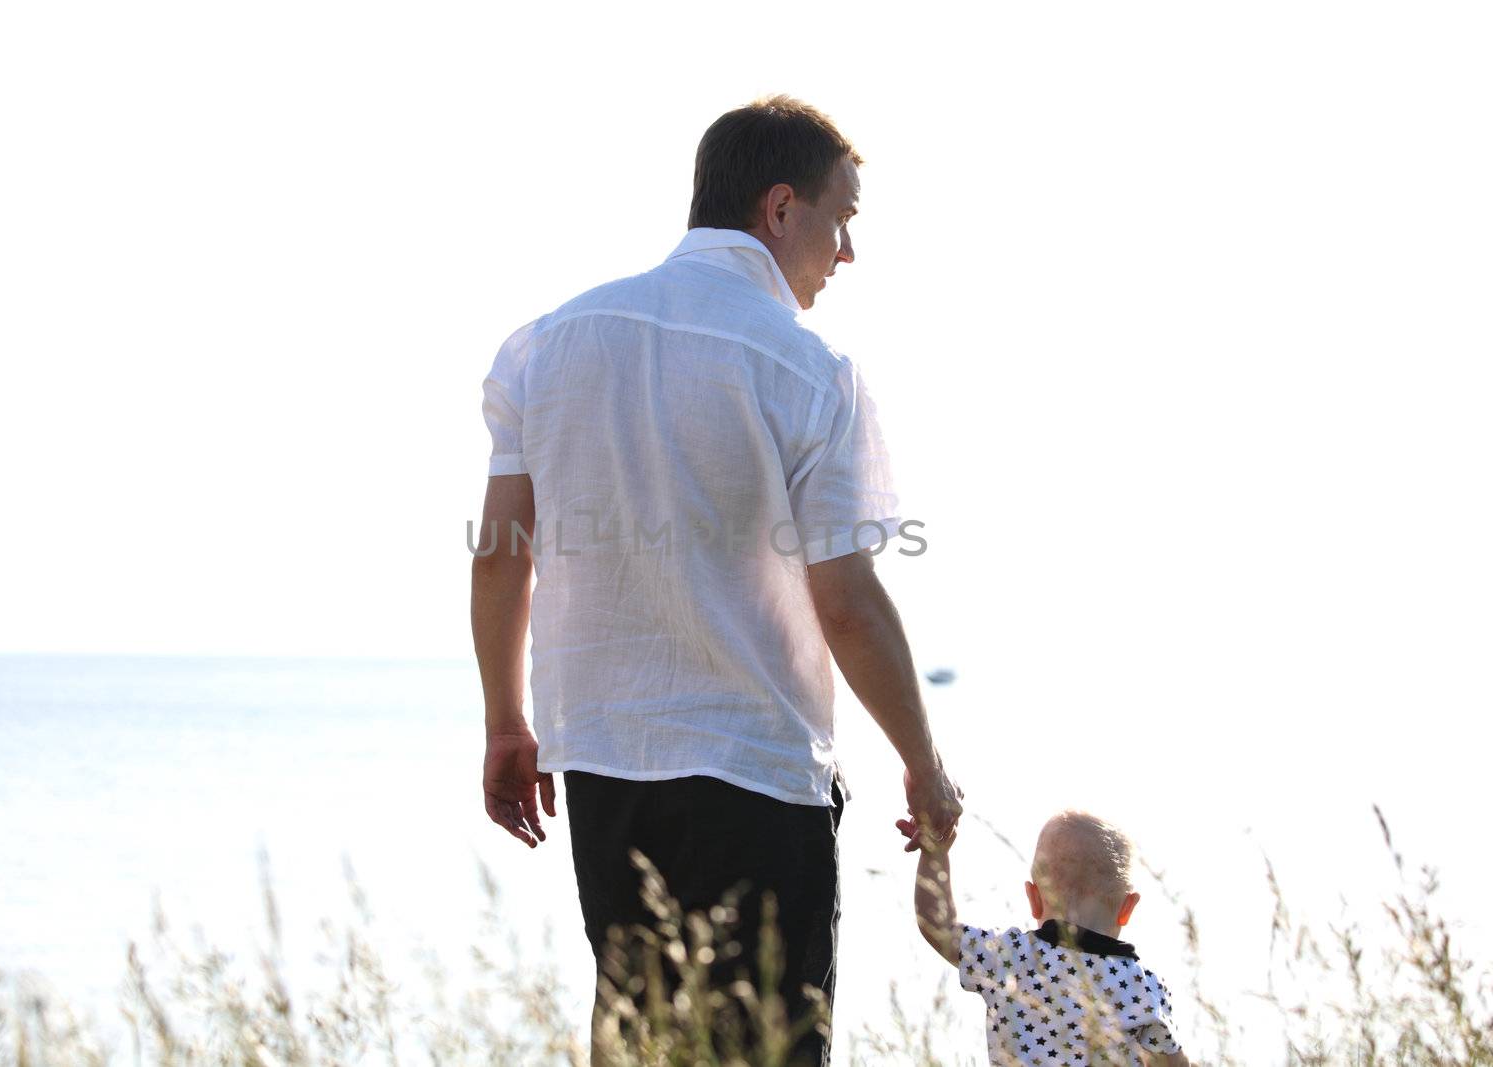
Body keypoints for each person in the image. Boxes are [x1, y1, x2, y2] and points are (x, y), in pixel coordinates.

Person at [470, 94, 962, 1065]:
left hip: (605, 769)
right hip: (757, 778)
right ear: (781, 208)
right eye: (842, 217)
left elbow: (498, 552)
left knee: (646, 1048)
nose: (847, 252)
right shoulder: (810, 368)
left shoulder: (547, 343)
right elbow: (848, 603)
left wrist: (504, 721)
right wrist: (923, 763)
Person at [897, 807, 1189, 1066]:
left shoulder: (1011, 957)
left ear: (1033, 898)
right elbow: (1173, 1064)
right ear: (1127, 908)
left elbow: (938, 926)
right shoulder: (1144, 987)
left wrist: (935, 855)